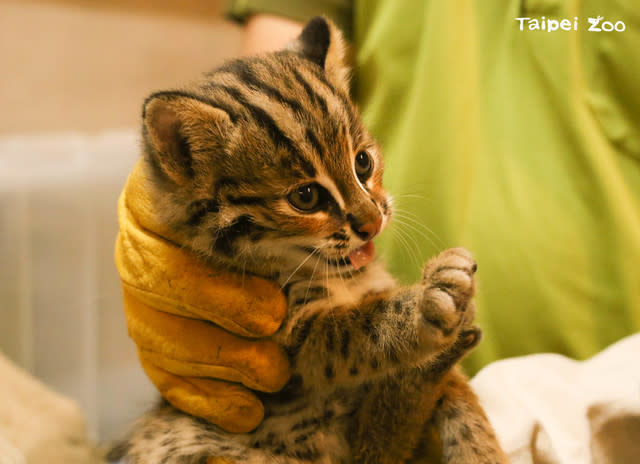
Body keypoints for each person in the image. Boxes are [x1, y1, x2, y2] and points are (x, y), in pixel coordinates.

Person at [115, 0, 640, 435]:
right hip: (363, 389)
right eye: (304, 198)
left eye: (365, 163)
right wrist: (184, 199)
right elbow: (277, 75)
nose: (371, 217)